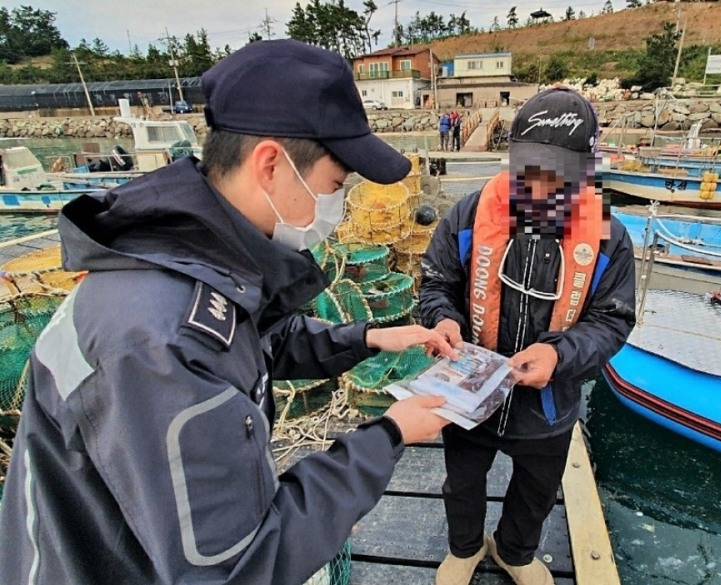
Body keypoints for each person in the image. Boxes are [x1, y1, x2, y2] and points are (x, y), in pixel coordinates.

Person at [0, 39, 456, 585]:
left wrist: (369, 339)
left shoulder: (186, 252)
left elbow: (252, 343)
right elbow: (240, 568)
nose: (337, 206)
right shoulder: (159, 340)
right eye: (335, 186)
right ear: (270, 164)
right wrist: (388, 435)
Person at [418, 88, 636, 585]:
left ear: (586, 167)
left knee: (537, 490)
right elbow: (436, 283)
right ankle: (465, 547)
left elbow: (613, 320)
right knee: (462, 482)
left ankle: (516, 553)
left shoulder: (610, 236)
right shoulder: (468, 213)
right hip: (470, 391)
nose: (541, 181)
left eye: (560, 169)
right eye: (530, 164)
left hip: (551, 403)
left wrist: (559, 355)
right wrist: (443, 321)